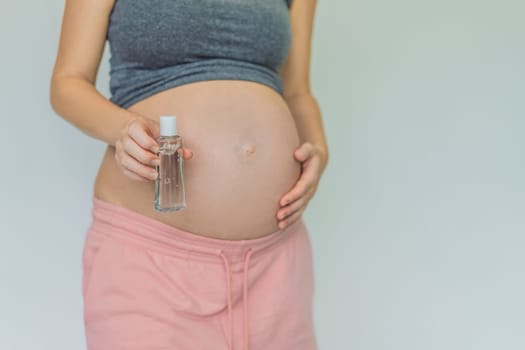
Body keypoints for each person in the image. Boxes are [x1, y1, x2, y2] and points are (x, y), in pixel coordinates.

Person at [50, 0, 328, 349]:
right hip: (150, 262)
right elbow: (67, 82)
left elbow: (298, 91)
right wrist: (121, 130)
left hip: (276, 265)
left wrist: (318, 148)